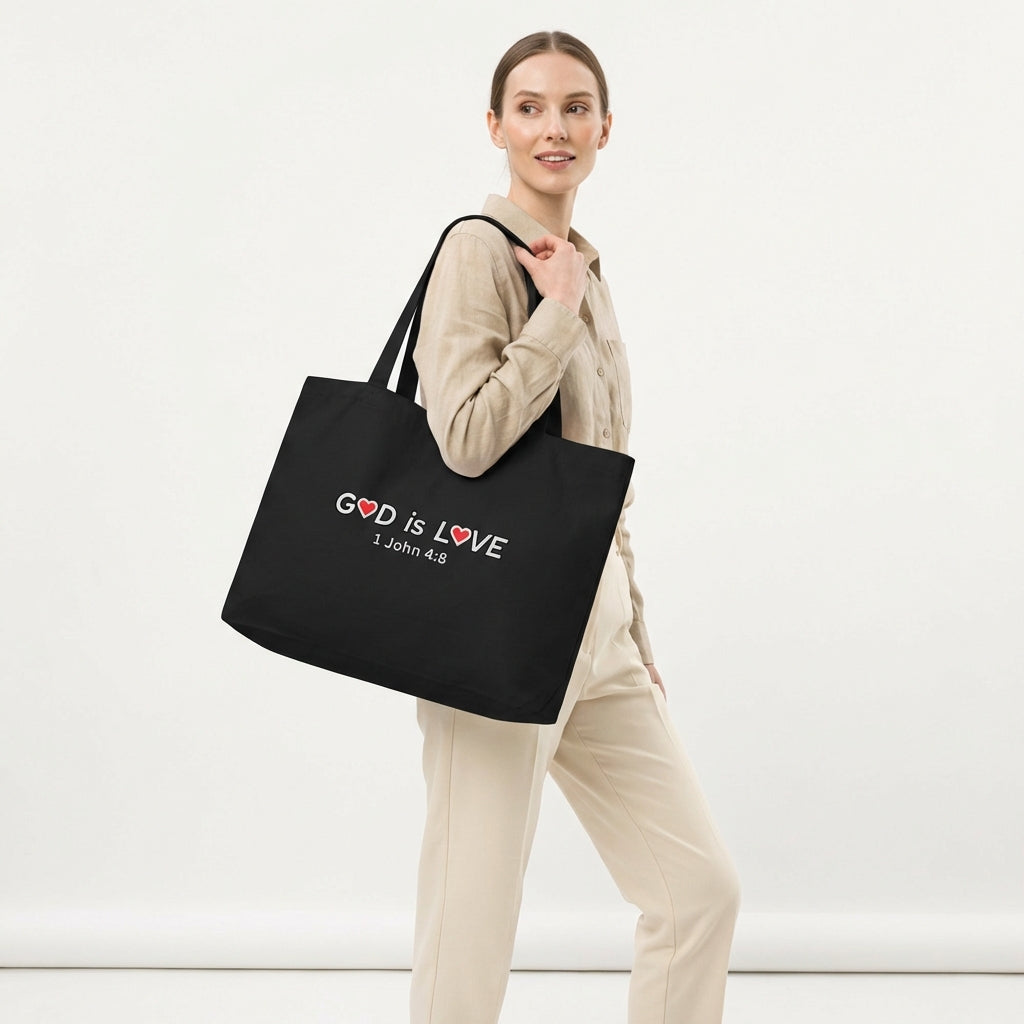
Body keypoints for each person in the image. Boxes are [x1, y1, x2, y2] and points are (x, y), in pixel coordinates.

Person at [410, 30, 741, 1024]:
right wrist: (549, 317)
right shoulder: (479, 247)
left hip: (593, 632)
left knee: (697, 891)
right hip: (494, 629)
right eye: (530, 106)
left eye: (574, 106)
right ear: (495, 125)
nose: (554, 126)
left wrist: (631, 628)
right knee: (471, 921)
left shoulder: (584, 266)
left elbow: (598, 470)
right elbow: (464, 440)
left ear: (604, 127)